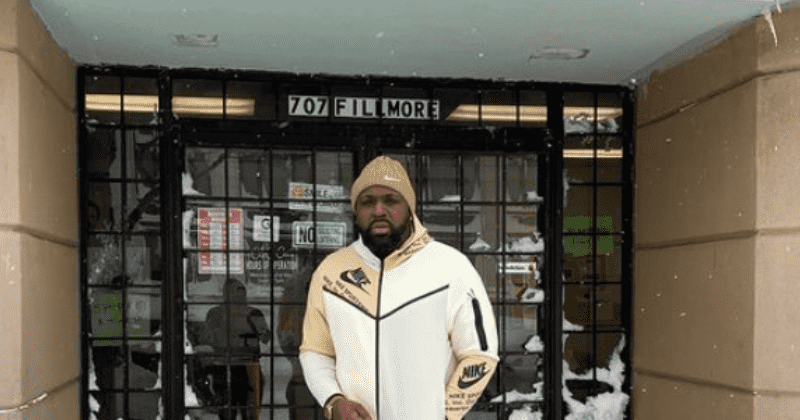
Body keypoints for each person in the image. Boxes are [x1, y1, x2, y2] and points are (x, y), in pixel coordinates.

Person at [299, 156, 499, 420]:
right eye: (367, 202)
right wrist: (333, 401)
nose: (379, 210)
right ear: (356, 211)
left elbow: (480, 355)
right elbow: (315, 350)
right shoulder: (331, 271)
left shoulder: (451, 267)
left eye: (391, 200)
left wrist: (444, 415)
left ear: (409, 208)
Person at [197, 278, 271, 420]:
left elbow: (265, 338)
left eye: (241, 292)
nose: (240, 296)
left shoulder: (251, 313)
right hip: (230, 367)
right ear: (226, 294)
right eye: (237, 292)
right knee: (231, 412)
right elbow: (208, 340)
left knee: (244, 413)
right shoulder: (216, 314)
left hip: (241, 367)